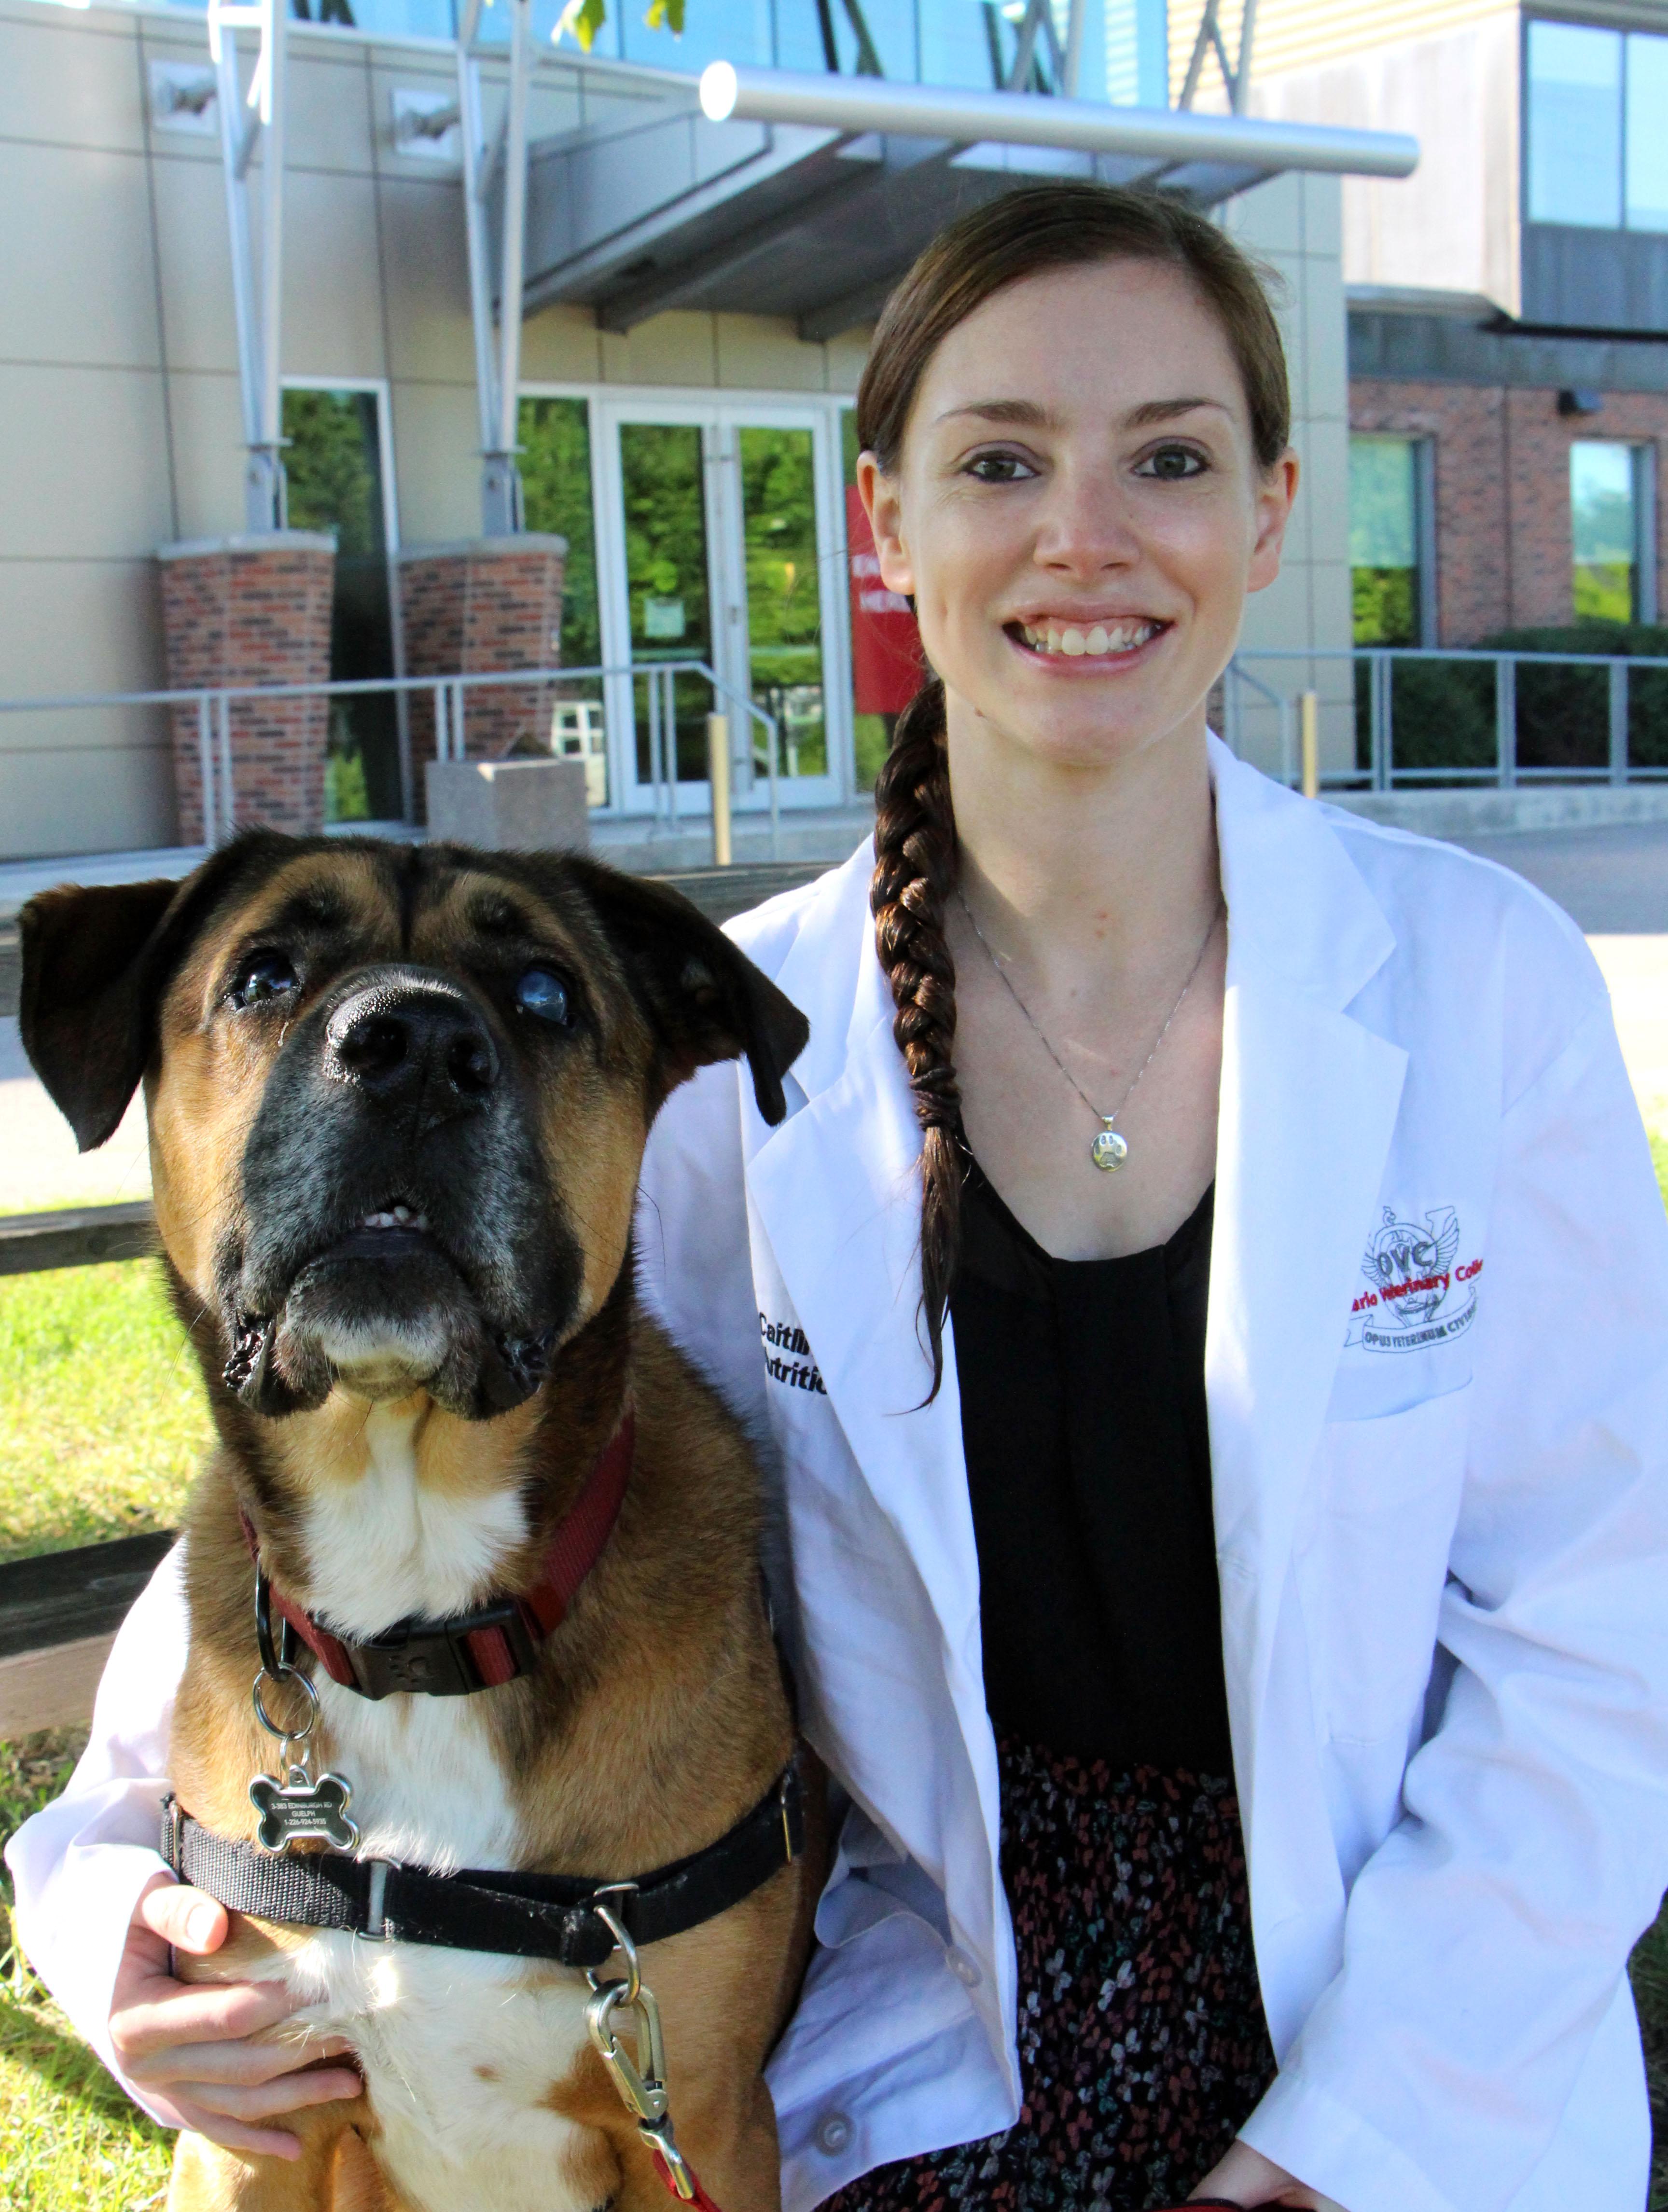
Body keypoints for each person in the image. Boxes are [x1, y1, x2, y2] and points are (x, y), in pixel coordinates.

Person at [11, 182, 1668, 2212]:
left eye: (1170, 456)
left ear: (1272, 507)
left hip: (1399, 2019)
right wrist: (110, 1898)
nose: (1086, 535)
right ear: (885, 521)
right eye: (999, 462)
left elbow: (1600, 1649)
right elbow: (358, 1494)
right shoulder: (708, 1046)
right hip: (914, 2017)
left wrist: (1341, 2154)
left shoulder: (1486, 988)